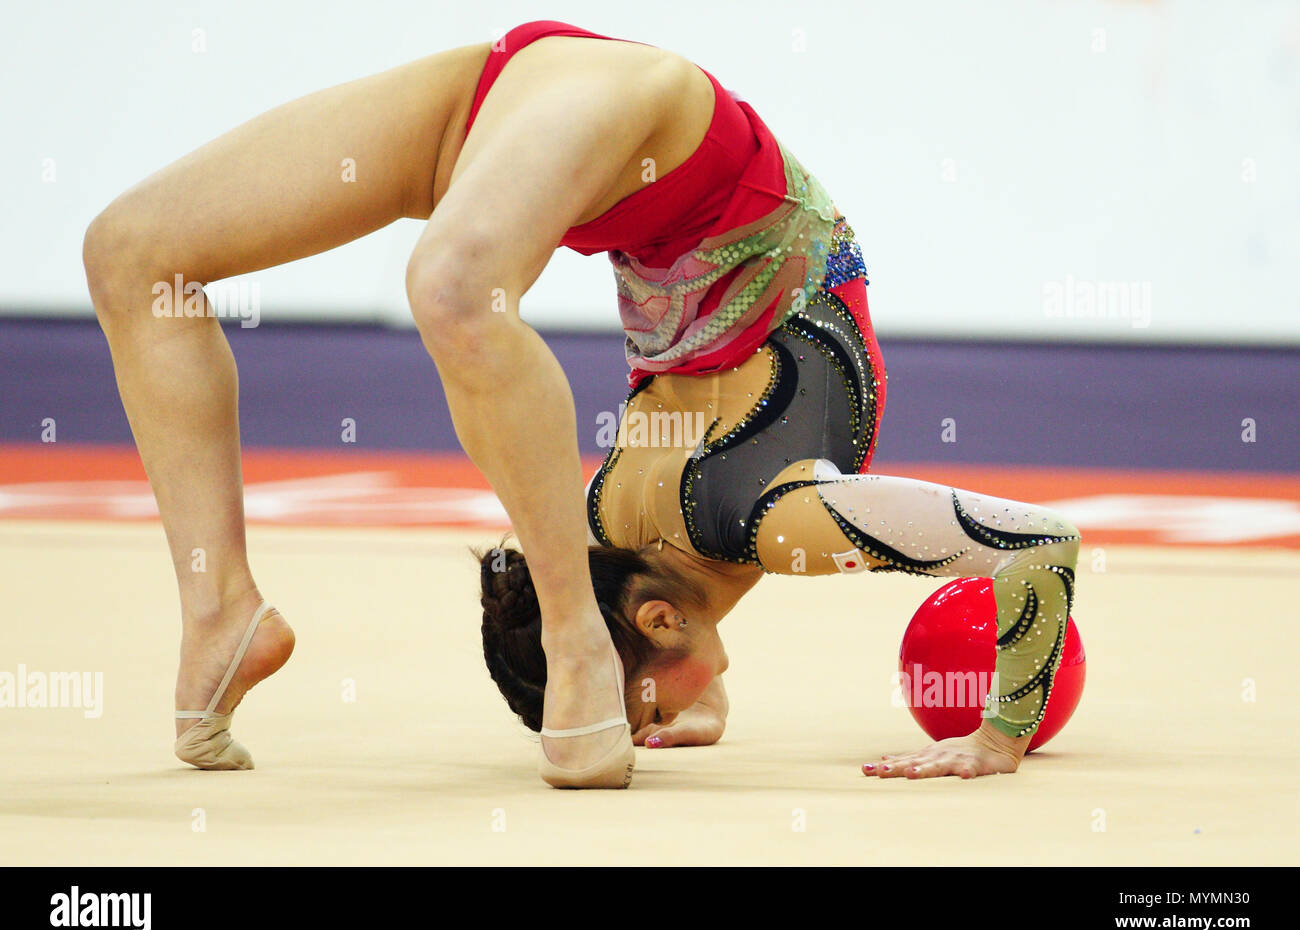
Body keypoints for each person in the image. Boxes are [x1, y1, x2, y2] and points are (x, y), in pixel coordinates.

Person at [81, 19, 1078, 790]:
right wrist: (998, 729)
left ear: (648, 615)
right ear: (641, 612)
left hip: (603, 125)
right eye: (643, 711)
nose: (658, 727)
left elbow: (681, 568)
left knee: (453, 290)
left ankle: (577, 645)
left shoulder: (662, 525)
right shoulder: (755, 523)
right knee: (133, 254)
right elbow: (1038, 542)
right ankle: (221, 611)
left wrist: (995, 733)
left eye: (640, 714)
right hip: (648, 141)